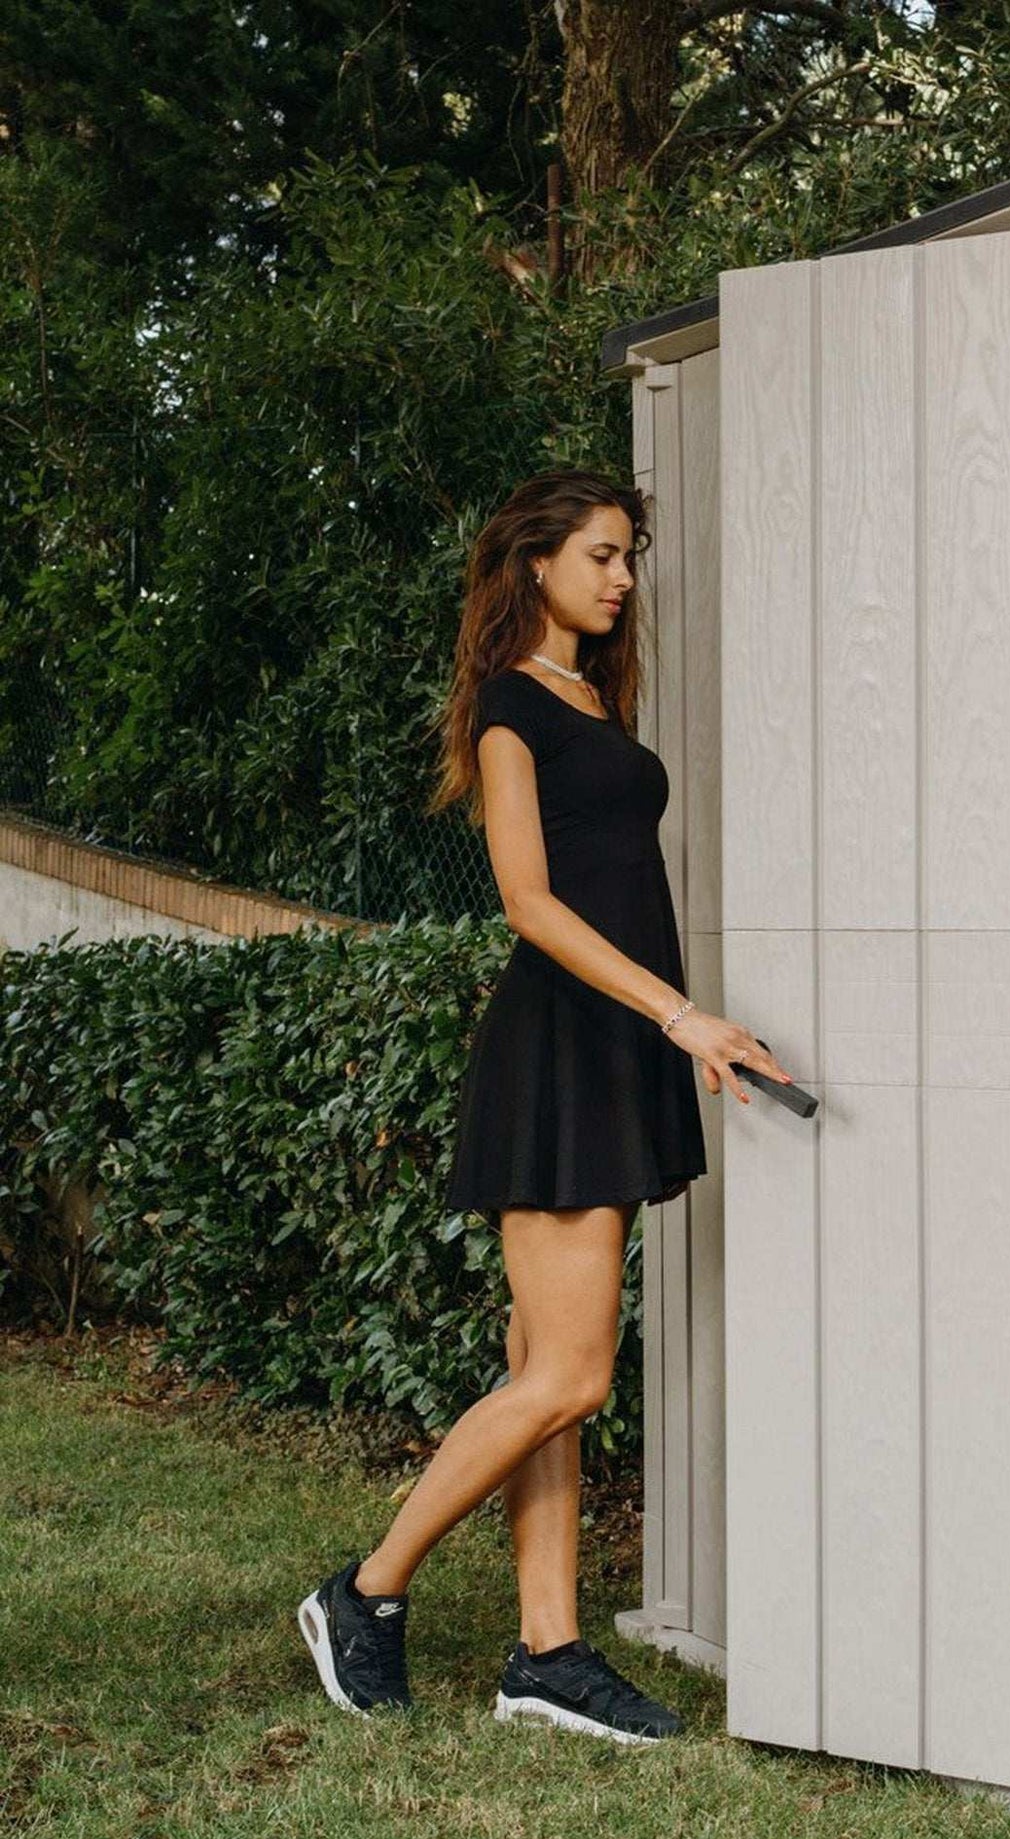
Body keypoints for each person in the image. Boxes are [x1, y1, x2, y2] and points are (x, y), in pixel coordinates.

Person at [296, 467, 791, 1746]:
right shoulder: (513, 706)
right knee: (568, 1377)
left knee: (543, 1368)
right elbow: (527, 897)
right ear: (534, 565)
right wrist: (677, 1010)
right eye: (602, 554)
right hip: (562, 1047)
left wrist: (662, 1018)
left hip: (606, 1046)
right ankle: (362, 1590)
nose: (624, 578)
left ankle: (549, 1651)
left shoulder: (588, 698)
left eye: (629, 556)